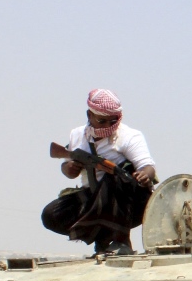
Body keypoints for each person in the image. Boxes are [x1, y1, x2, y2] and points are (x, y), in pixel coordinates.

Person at [41, 88, 157, 255]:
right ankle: (102, 239)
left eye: (113, 121)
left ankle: (121, 241)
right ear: (89, 115)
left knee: (118, 177)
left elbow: (147, 166)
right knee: (51, 214)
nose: (108, 126)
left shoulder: (130, 136)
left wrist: (145, 175)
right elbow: (68, 171)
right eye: (102, 121)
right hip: (94, 199)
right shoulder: (77, 135)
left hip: (130, 201)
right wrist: (70, 167)